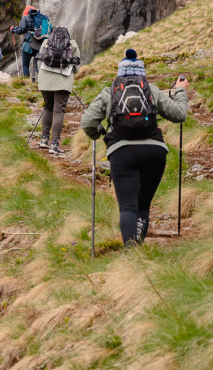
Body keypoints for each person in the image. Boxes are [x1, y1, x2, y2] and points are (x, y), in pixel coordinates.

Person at [79, 50, 189, 246]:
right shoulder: (152, 90)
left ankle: (130, 246)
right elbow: (179, 114)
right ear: (142, 73)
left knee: (128, 206)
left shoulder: (109, 91)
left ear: (120, 72)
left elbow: (87, 122)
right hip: (155, 151)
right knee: (143, 204)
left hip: (122, 152)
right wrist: (180, 91)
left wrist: (99, 133)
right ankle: (138, 242)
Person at [34, 24, 81, 154]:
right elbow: (76, 67)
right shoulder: (73, 44)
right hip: (63, 80)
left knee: (48, 107)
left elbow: (39, 61)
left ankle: (44, 140)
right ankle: (54, 145)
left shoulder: (46, 42)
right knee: (59, 111)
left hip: (45, 80)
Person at [10, 5, 50, 79]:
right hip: (39, 43)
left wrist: (13, 30)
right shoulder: (41, 18)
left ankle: (26, 82)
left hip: (28, 44)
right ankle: (41, 81)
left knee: (25, 65)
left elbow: (21, 30)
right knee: (39, 64)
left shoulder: (26, 18)